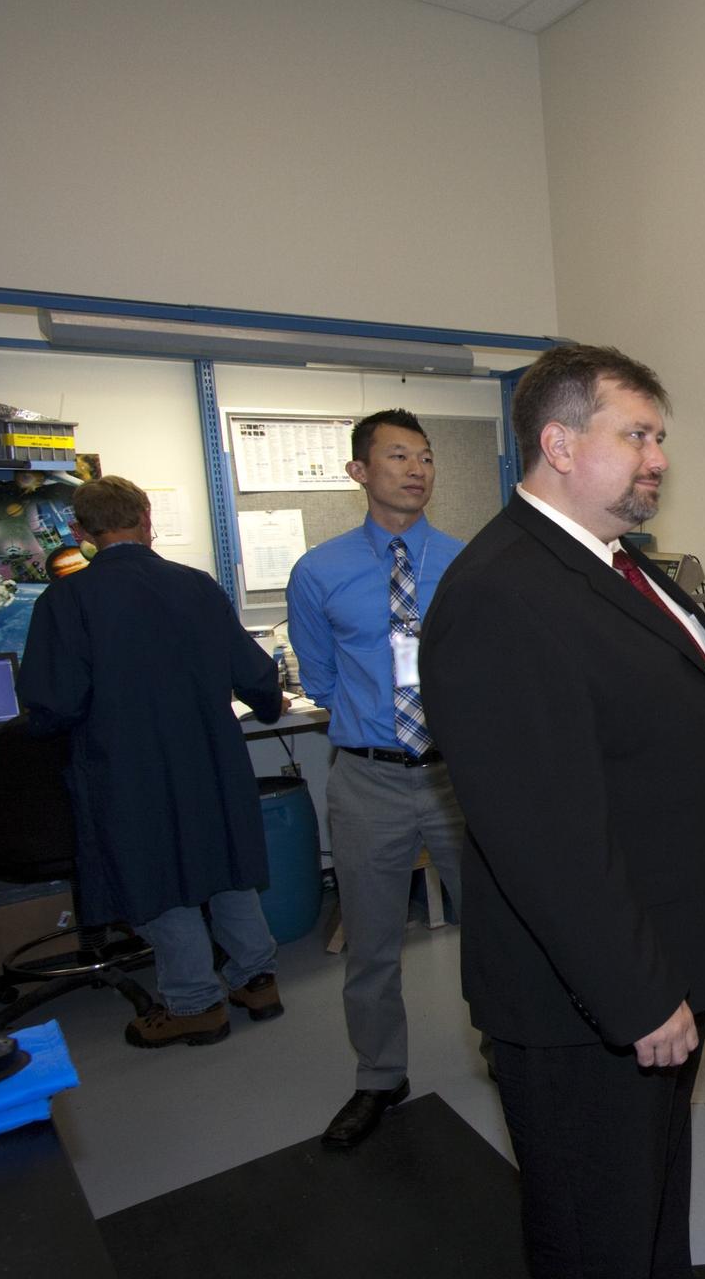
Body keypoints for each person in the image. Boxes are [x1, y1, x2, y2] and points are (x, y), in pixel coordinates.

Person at [421, 344, 705, 1279]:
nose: (659, 457)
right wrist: (637, 992)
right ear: (560, 445)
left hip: (658, 959)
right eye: (638, 436)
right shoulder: (501, 594)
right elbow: (543, 835)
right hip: (588, 1000)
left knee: (650, 1191)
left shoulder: (615, 566)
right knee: (593, 1228)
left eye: (660, 437)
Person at [19, 476, 287, 1048]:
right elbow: (256, 674)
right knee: (226, 863)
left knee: (154, 874)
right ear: (146, 517)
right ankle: (257, 981)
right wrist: (270, 704)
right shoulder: (197, 585)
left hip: (126, 767)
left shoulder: (67, 600)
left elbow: (53, 704)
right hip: (209, 759)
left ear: (80, 531)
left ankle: (195, 1005)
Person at [286, 408, 467, 1148]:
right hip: (368, 780)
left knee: (500, 931)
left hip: (460, 779)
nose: (416, 469)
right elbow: (321, 680)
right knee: (371, 945)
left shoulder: (466, 563)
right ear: (359, 471)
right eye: (397, 456)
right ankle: (379, 1077)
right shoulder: (318, 571)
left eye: (425, 456)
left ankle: (511, 1050)